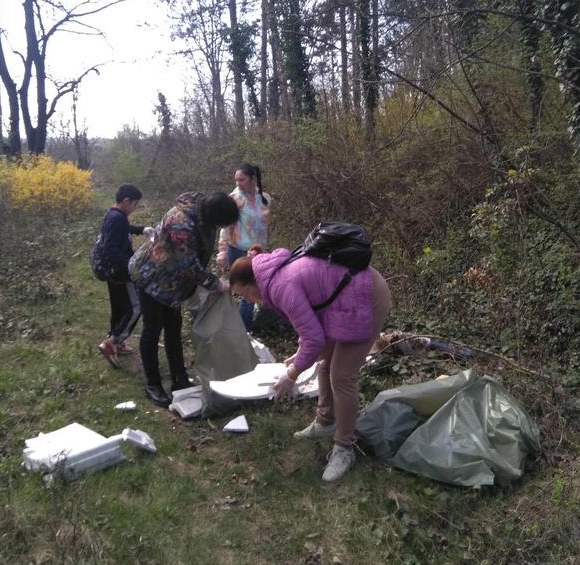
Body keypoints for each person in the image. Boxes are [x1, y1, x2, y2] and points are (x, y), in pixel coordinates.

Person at [229, 246, 391, 483]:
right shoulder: (275, 275)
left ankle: (344, 448)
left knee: (342, 376)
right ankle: (325, 421)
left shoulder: (280, 286)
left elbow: (314, 338)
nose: (248, 301)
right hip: (346, 301)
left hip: (367, 296)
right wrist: (300, 353)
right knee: (326, 361)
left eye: (244, 295)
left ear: (253, 282)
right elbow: (312, 320)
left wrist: (292, 374)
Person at [130, 191, 239, 408]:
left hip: (172, 282)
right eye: (222, 224)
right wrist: (215, 283)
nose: (221, 228)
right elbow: (188, 264)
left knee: (173, 326)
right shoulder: (181, 224)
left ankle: (179, 378)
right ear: (214, 215)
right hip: (151, 276)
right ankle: (153, 384)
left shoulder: (203, 214)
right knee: (153, 329)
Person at [97, 184, 153, 369]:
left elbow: (124, 230)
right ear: (127, 201)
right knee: (135, 306)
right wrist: (131, 263)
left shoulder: (114, 215)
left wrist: (141, 229)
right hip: (121, 272)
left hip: (113, 271)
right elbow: (110, 248)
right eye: (135, 204)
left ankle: (117, 341)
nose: (134, 208)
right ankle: (112, 342)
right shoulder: (118, 218)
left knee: (119, 307)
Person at [216, 163, 271, 331]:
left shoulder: (266, 199)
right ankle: (243, 333)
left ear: (253, 179)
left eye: (242, 179)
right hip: (238, 250)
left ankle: (243, 329)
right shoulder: (234, 199)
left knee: (254, 292)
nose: (238, 183)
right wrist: (222, 250)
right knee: (246, 293)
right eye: (236, 180)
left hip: (258, 252)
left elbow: (264, 226)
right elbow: (226, 226)